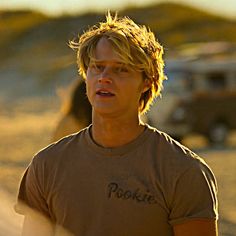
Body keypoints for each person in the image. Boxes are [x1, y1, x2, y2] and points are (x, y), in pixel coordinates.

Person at [15, 13, 218, 236]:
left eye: (121, 69)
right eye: (97, 67)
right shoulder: (46, 165)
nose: (104, 77)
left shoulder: (183, 171)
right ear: (86, 74)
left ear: (146, 82)